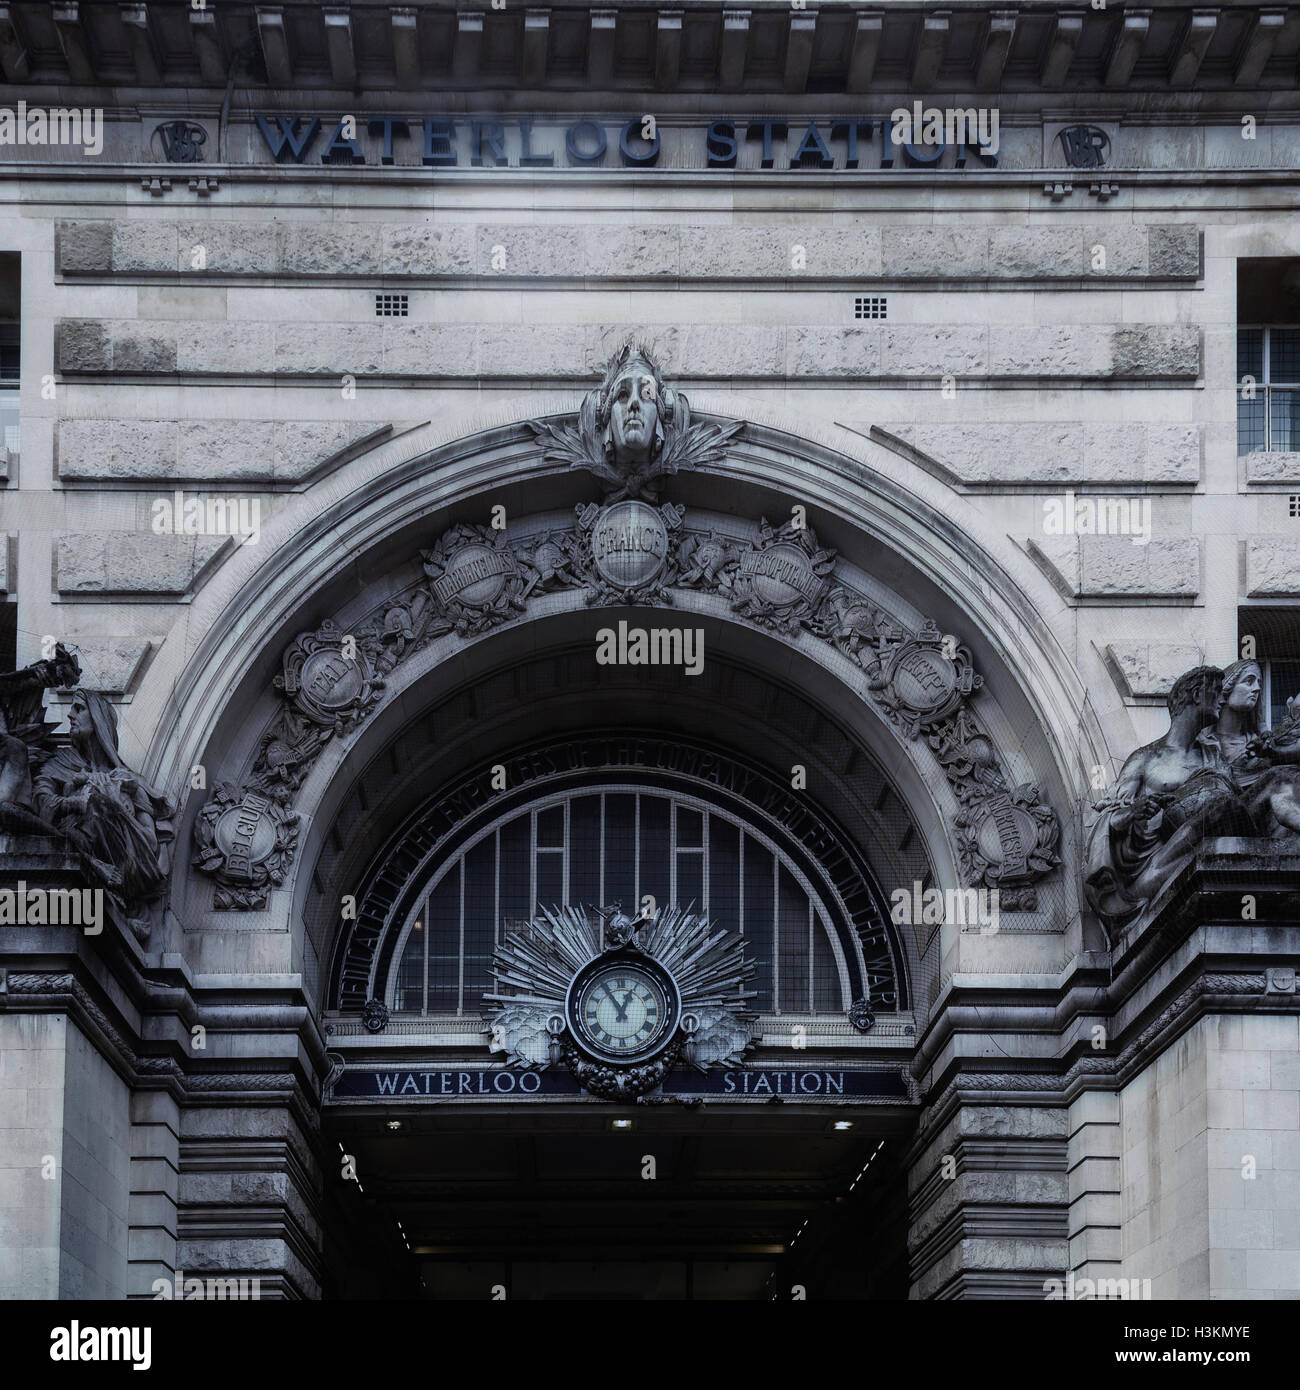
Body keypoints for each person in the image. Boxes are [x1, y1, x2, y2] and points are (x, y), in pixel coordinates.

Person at [34, 688, 174, 931]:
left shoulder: (129, 781)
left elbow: (150, 843)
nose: (70, 715)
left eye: (79, 708)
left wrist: (115, 805)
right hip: (69, 852)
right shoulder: (59, 764)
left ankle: (110, 892)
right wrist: (75, 802)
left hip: (124, 865)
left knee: (99, 805)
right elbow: (41, 803)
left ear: (98, 718)